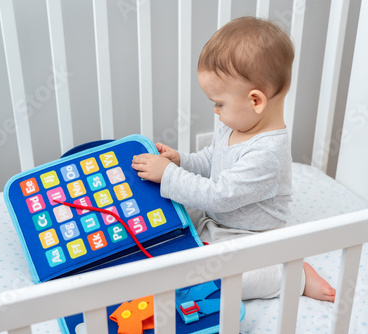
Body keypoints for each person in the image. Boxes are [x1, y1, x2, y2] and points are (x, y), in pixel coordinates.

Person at [131, 16, 335, 302]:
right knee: (166, 222)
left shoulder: (267, 153)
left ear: (255, 101)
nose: (215, 111)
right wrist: (181, 162)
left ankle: (295, 277)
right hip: (215, 221)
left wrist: (168, 175)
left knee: (222, 282)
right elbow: (212, 160)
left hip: (249, 237)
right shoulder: (235, 124)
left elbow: (220, 195)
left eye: (219, 103)